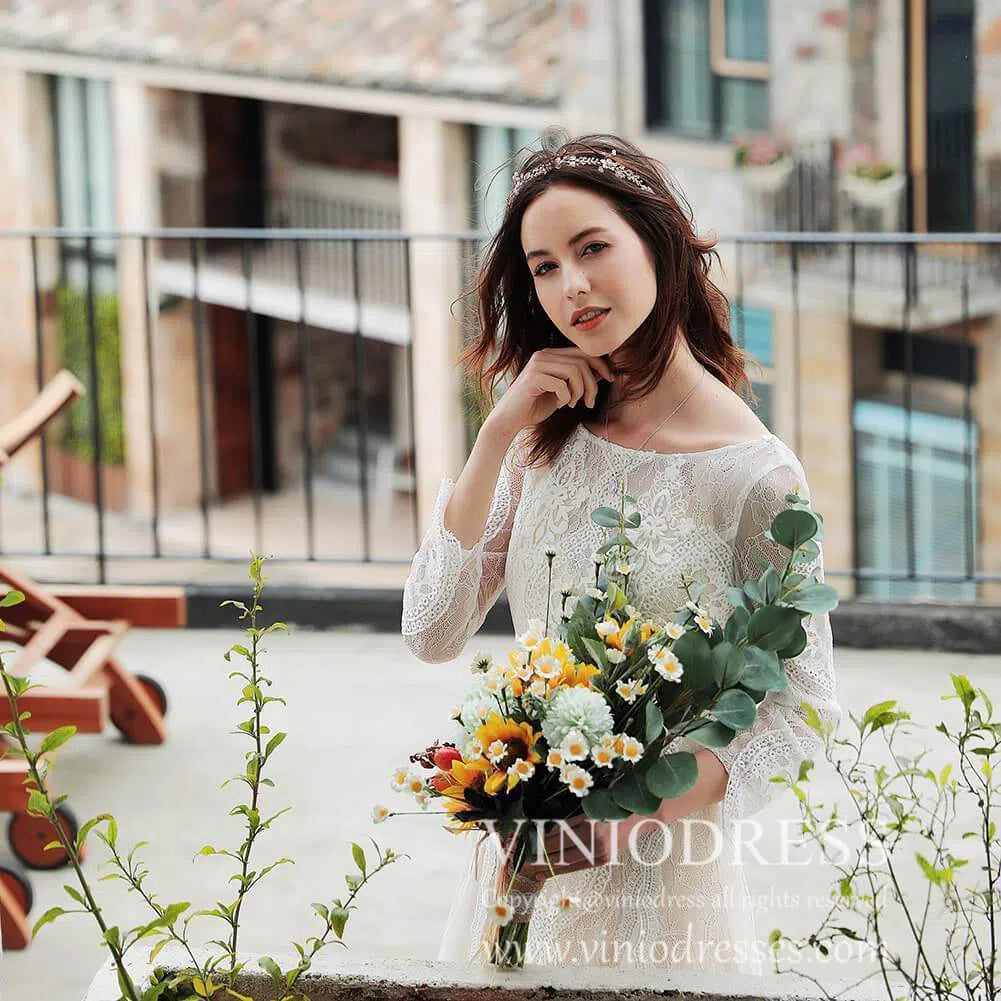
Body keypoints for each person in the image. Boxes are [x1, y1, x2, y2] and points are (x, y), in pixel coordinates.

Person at [401, 132, 841, 974]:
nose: (571, 285)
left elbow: (801, 708)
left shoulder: (752, 474)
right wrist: (495, 434)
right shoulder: (540, 436)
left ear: (659, 242)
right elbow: (430, 628)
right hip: (522, 860)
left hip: (659, 872)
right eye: (542, 266)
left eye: (591, 247)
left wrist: (628, 817)